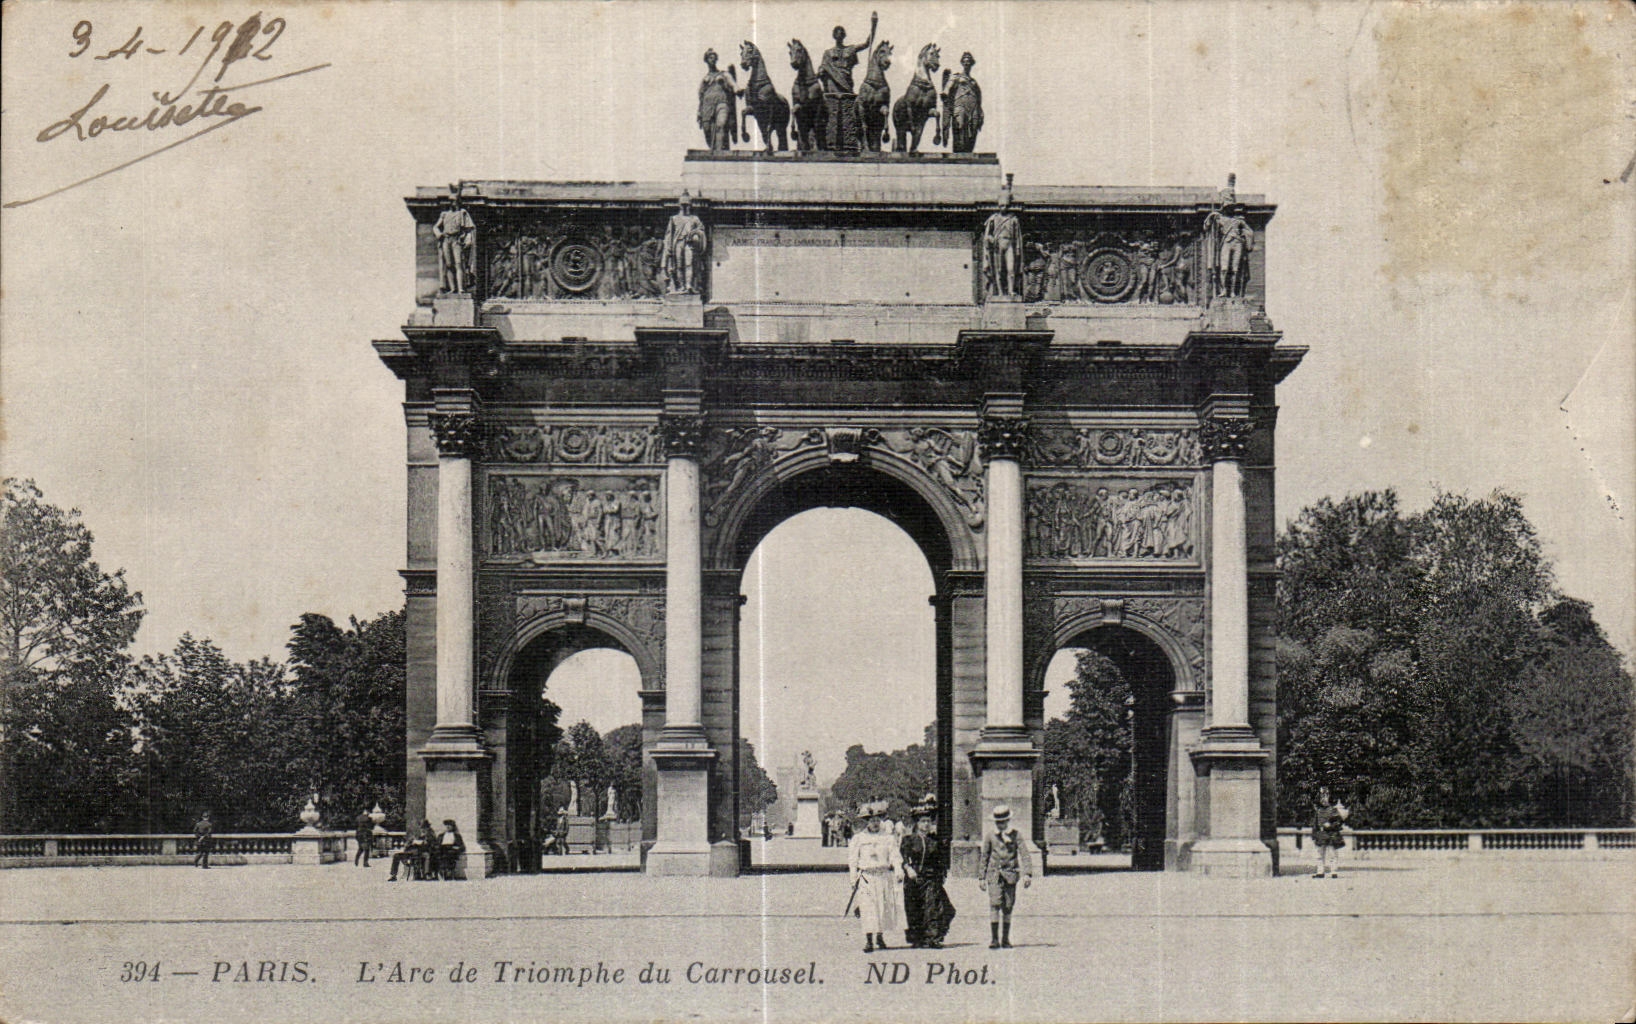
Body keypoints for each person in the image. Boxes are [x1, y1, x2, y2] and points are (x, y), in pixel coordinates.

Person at [847, 801, 903, 953]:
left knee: (882, 908)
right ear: (867, 822)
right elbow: (853, 860)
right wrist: (853, 878)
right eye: (872, 821)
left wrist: (898, 869)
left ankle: (879, 936)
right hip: (866, 877)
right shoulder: (859, 838)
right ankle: (868, 940)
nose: (875, 823)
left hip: (883, 876)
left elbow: (895, 855)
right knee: (868, 908)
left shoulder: (888, 838)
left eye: (878, 820)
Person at [901, 796, 954, 949]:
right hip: (914, 878)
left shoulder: (934, 841)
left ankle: (933, 938)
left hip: (931, 878)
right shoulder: (909, 840)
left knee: (934, 907)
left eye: (928, 821)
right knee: (914, 907)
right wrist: (908, 868)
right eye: (923, 821)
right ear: (917, 823)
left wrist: (941, 873)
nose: (926, 825)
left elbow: (940, 860)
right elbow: (903, 857)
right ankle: (917, 938)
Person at [978, 804, 1033, 949]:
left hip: (1010, 874)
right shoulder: (990, 836)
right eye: (998, 822)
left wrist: (1027, 873)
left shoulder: (1016, 835)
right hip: (994, 875)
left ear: (1008, 821)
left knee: (1008, 906)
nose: (1001, 825)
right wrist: (981, 877)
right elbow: (984, 856)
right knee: (995, 904)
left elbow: (1025, 854)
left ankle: (1006, 939)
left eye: (1003, 821)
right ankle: (994, 939)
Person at [1311, 786, 1349, 878]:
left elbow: (1339, 822)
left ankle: (1333, 872)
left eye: (1325, 797)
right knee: (1319, 854)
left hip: (1331, 834)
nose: (1323, 799)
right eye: (1321, 797)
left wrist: (1331, 825)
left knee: (1332, 854)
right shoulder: (1318, 811)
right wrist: (1314, 834)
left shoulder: (1333, 810)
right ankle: (1320, 872)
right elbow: (1315, 824)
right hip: (1321, 834)